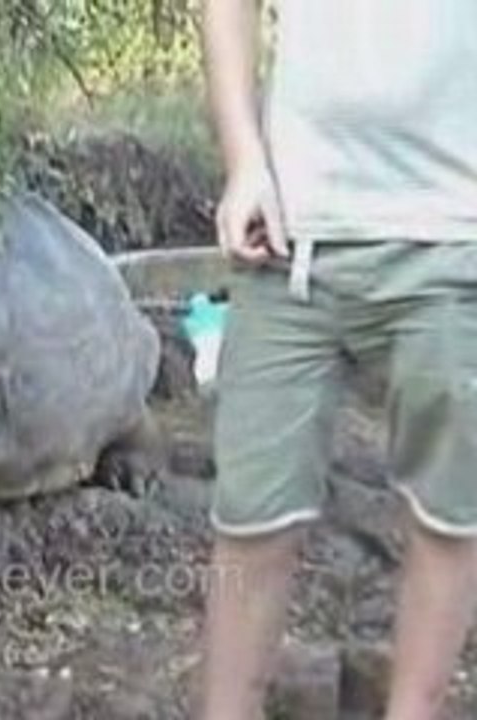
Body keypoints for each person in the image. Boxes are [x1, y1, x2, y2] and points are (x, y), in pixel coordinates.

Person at [199, 1, 477, 718]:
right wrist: (243, 160)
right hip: (290, 235)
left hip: (456, 239)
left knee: (450, 514)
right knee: (250, 516)